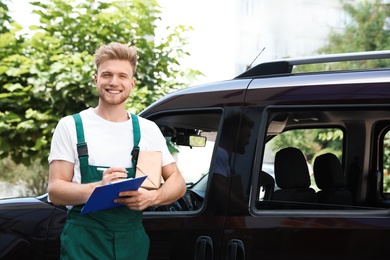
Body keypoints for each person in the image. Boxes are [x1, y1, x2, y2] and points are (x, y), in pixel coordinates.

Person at [47, 42, 186, 259]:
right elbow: (55, 191)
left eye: (122, 76)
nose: (114, 82)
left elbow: (177, 182)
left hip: (132, 242)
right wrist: (98, 187)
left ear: (132, 83)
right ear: (96, 79)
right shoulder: (71, 126)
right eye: (107, 75)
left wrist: (154, 197)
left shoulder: (147, 130)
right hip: (83, 242)